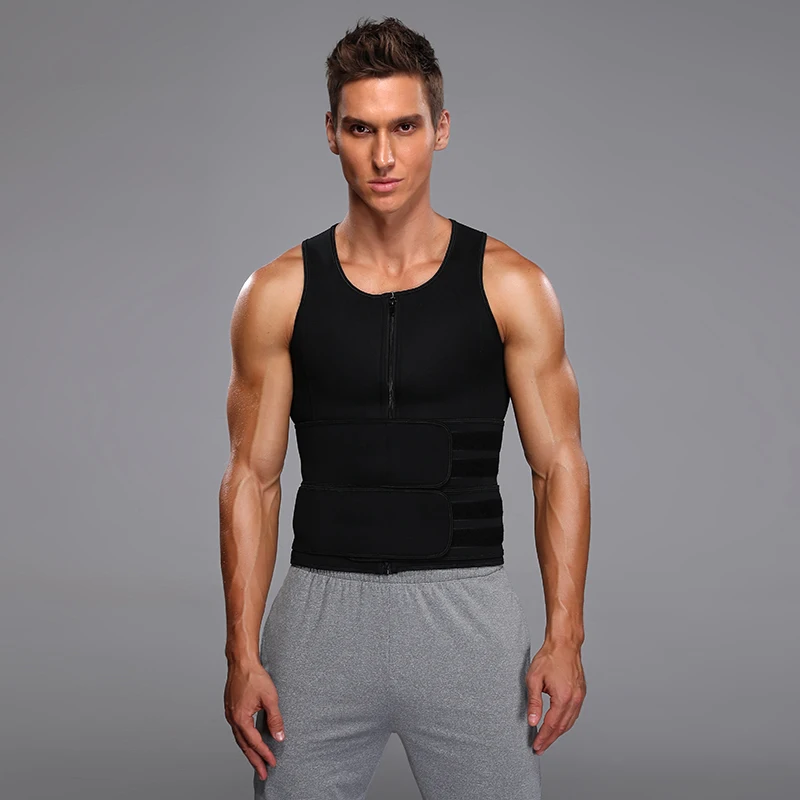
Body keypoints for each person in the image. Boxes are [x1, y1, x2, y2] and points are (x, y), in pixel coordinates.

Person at [219, 16, 590, 800]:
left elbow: (558, 466)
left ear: (440, 129)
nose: (383, 157)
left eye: (404, 128)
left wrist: (566, 637)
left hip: (466, 623)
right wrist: (241, 655)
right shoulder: (278, 292)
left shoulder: (511, 285)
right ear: (331, 133)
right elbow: (251, 479)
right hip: (319, 627)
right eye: (361, 129)